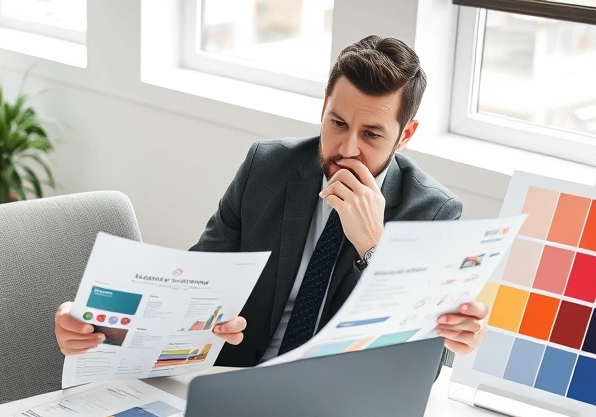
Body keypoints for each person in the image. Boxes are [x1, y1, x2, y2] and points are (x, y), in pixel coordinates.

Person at [55, 35, 488, 367]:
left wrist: (372, 248)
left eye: (372, 134)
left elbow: (427, 361)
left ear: (405, 135)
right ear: (324, 105)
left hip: (335, 407)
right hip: (236, 379)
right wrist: (96, 323)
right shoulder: (268, 166)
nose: (348, 148)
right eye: (337, 122)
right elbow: (190, 283)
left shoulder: (431, 212)